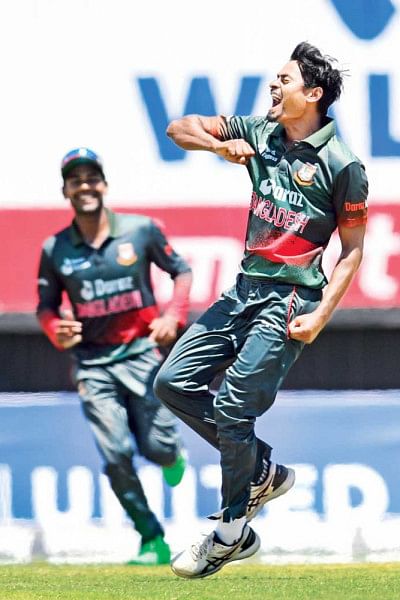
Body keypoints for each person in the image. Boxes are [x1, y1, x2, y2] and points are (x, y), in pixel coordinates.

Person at [154, 42, 368, 578]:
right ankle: (262, 470)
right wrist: (216, 146)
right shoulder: (259, 130)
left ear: (312, 94)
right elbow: (178, 128)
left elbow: (353, 250)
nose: (273, 85)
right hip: (243, 290)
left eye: (284, 79)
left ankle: (230, 533)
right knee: (171, 384)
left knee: (233, 408)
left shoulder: (342, 164)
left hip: (291, 298)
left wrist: (320, 317)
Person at [36, 147, 193, 565]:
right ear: (65, 191)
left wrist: (172, 316)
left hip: (142, 353)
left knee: (157, 449)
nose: (85, 187)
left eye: (92, 179)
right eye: (75, 181)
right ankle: (152, 540)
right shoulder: (55, 249)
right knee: (116, 454)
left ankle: (172, 454)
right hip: (93, 363)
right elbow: (46, 308)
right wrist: (56, 330)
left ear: (104, 185)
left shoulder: (140, 231)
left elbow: (181, 271)